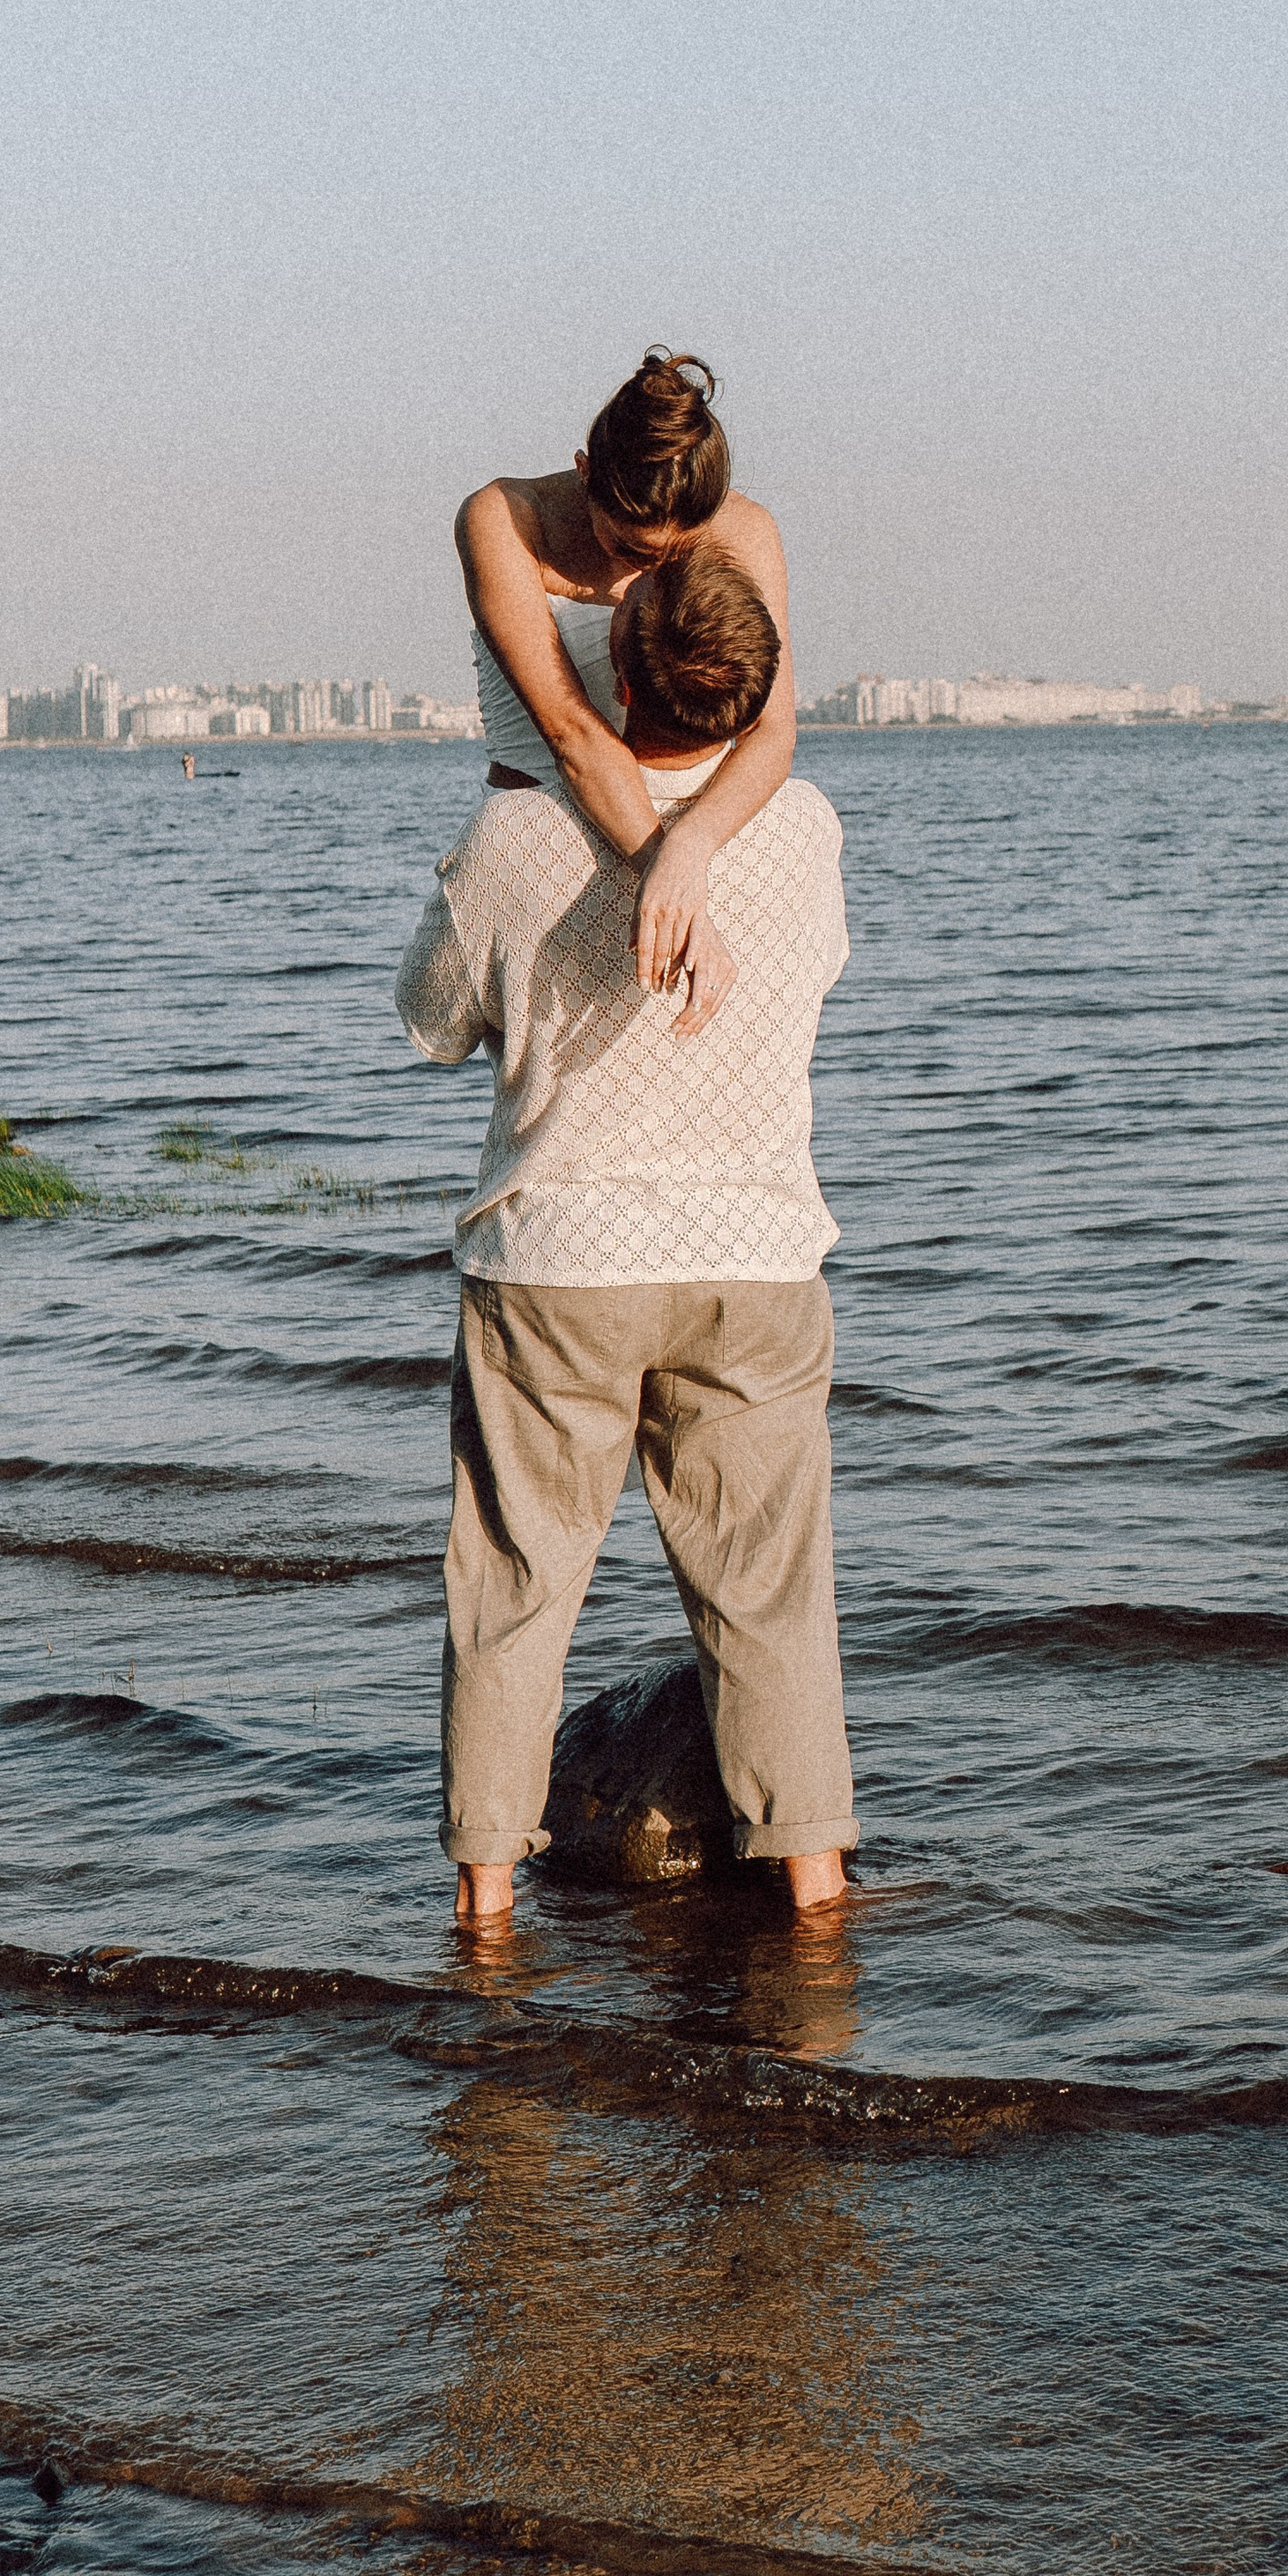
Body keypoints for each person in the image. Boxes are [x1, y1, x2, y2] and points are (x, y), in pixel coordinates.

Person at [395, 540, 859, 1931]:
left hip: (557, 1260)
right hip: (753, 1254)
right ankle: (817, 1889)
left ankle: (486, 1904)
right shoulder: (806, 828)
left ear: (617, 680)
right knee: (769, 1601)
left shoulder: (516, 833)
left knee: (514, 1588)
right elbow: (815, 977)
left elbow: (429, 1020)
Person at [455, 346, 794, 1018]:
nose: (649, 569)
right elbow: (571, 731)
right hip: (546, 854)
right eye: (632, 548)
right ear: (586, 472)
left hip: (706, 845)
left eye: (677, 549)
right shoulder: (504, 518)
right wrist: (668, 877)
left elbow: (773, 730)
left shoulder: (746, 529)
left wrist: (688, 856)